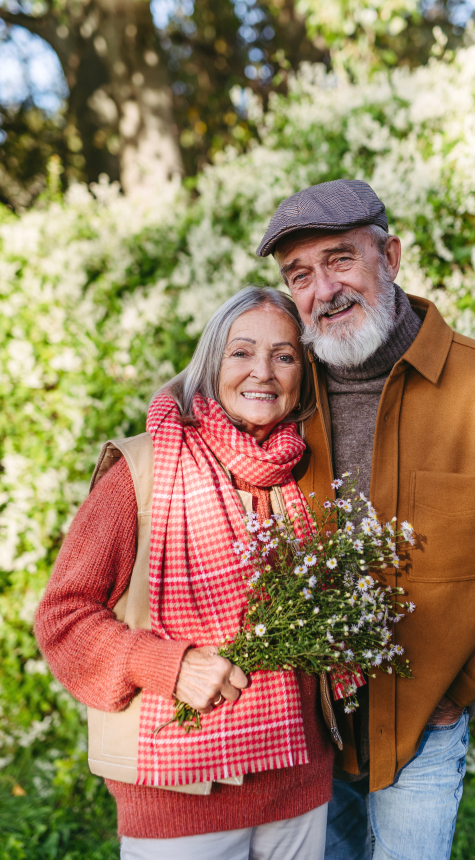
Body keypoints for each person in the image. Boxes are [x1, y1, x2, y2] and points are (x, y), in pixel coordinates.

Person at [255, 179, 475, 860]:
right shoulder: (276, 393)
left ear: (391, 254)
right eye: (301, 274)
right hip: (304, 727)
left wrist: (465, 684)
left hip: (424, 723)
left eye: (341, 260)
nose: (324, 289)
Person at [35, 286, 334, 860]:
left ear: (303, 374)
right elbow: (62, 618)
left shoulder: (308, 474)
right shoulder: (144, 469)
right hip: (180, 790)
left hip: (298, 783)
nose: (263, 373)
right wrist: (167, 666)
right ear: (209, 363)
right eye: (241, 352)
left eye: (285, 355)